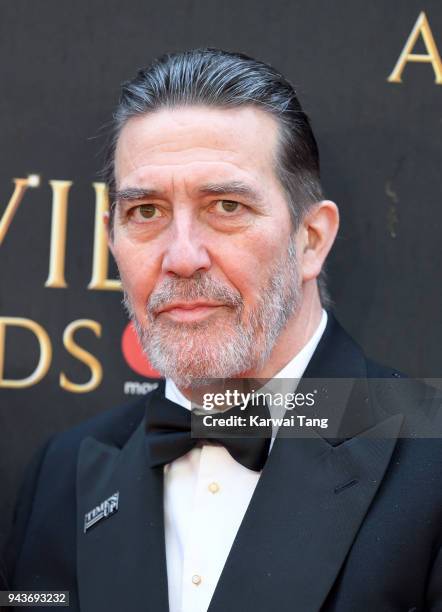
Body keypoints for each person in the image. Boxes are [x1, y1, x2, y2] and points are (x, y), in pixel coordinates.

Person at [5, 48, 442, 612]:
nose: (182, 257)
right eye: (146, 212)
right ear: (111, 238)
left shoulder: (430, 460)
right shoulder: (59, 475)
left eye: (227, 206)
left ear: (311, 239)